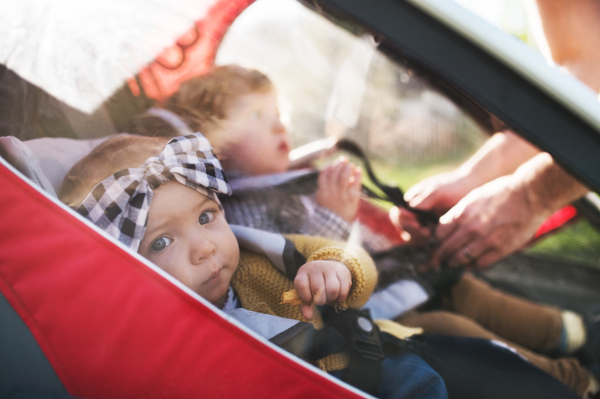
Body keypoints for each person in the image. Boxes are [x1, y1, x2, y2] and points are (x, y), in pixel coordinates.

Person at [136, 64, 598, 397]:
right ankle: (570, 381)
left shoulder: (293, 176)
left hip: (399, 276)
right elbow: (289, 267)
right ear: (215, 142)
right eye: (255, 117)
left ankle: (573, 333)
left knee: (471, 292)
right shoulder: (235, 210)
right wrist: (333, 217)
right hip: (368, 315)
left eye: (279, 112)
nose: (280, 124)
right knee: (450, 327)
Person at [59, 132, 448, 399]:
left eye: (207, 216)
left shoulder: (259, 257)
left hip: (358, 366)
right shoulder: (159, 351)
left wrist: (335, 268)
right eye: (162, 242)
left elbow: (349, 254)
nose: (205, 247)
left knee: (413, 378)